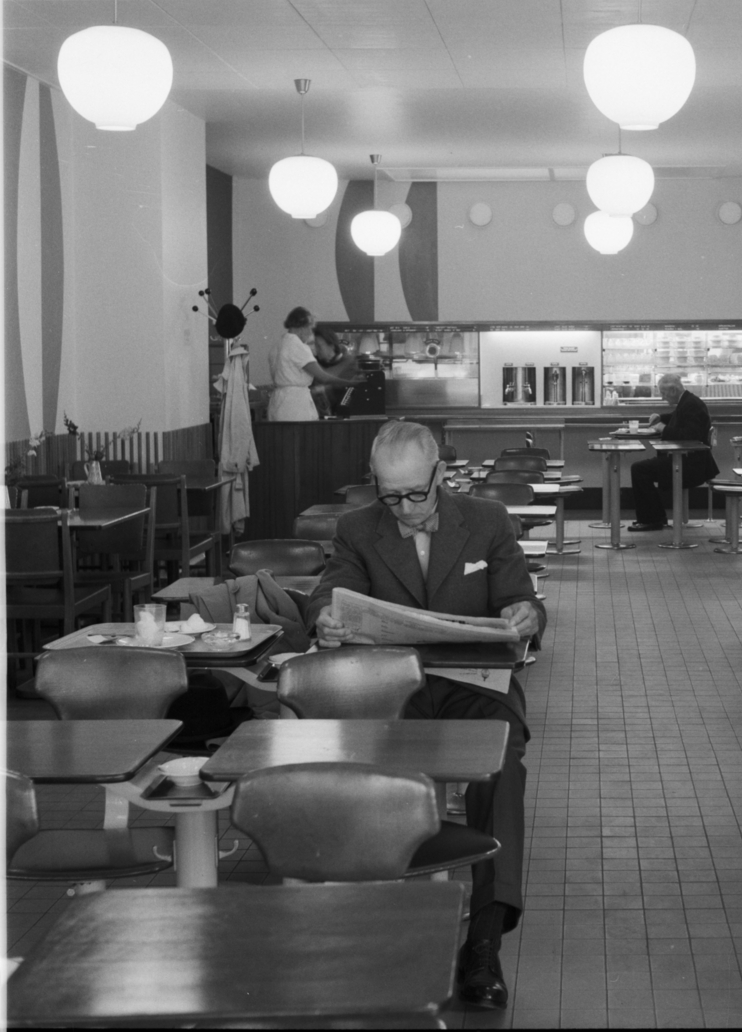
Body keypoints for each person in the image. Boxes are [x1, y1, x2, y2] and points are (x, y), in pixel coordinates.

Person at [308, 420, 544, 1011]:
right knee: (357, 766)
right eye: (391, 496)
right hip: (395, 686)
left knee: (501, 767)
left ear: (441, 473)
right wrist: (325, 619)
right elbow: (330, 592)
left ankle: (484, 940)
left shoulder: (488, 520)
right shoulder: (357, 528)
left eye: (417, 492)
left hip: (476, 683)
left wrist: (524, 613)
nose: (407, 508)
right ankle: (370, 924)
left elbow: (521, 598)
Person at [627, 373, 719, 531]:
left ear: (673, 390)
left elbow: (690, 436)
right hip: (690, 460)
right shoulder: (688, 401)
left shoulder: (691, 404)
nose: (662, 398)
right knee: (641, 469)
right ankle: (654, 518)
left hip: (690, 465)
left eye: (663, 393)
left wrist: (663, 428)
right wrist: (660, 417)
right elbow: (677, 417)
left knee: (639, 469)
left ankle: (652, 519)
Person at [266, 307, 360, 421]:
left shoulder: (277, 345)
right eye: (310, 328)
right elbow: (323, 377)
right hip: (295, 406)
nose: (311, 333)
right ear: (302, 327)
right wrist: (352, 383)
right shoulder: (297, 346)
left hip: (278, 403)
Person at [310, 324, 355, 419]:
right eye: (313, 346)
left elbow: (349, 390)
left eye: (318, 346)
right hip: (315, 418)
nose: (315, 350)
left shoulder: (349, 364)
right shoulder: (313, 364)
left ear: (331, 345)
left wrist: (322, 390)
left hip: (344, 418)